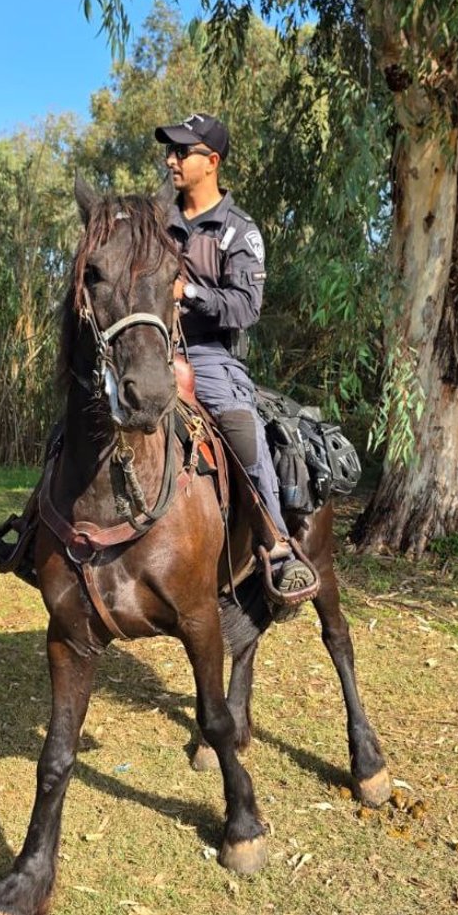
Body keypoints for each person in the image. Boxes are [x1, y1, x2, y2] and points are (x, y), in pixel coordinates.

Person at [155, 112, 316, 601]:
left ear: (212, 161)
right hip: (149, 345)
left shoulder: (238, 231)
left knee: (241, 428)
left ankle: (277, 543)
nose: (171, 160)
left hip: (208, 355)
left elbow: (246, 307)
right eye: (170, 151)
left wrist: (189, 293)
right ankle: (36, 527)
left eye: (182, 152)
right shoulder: (155, 220)